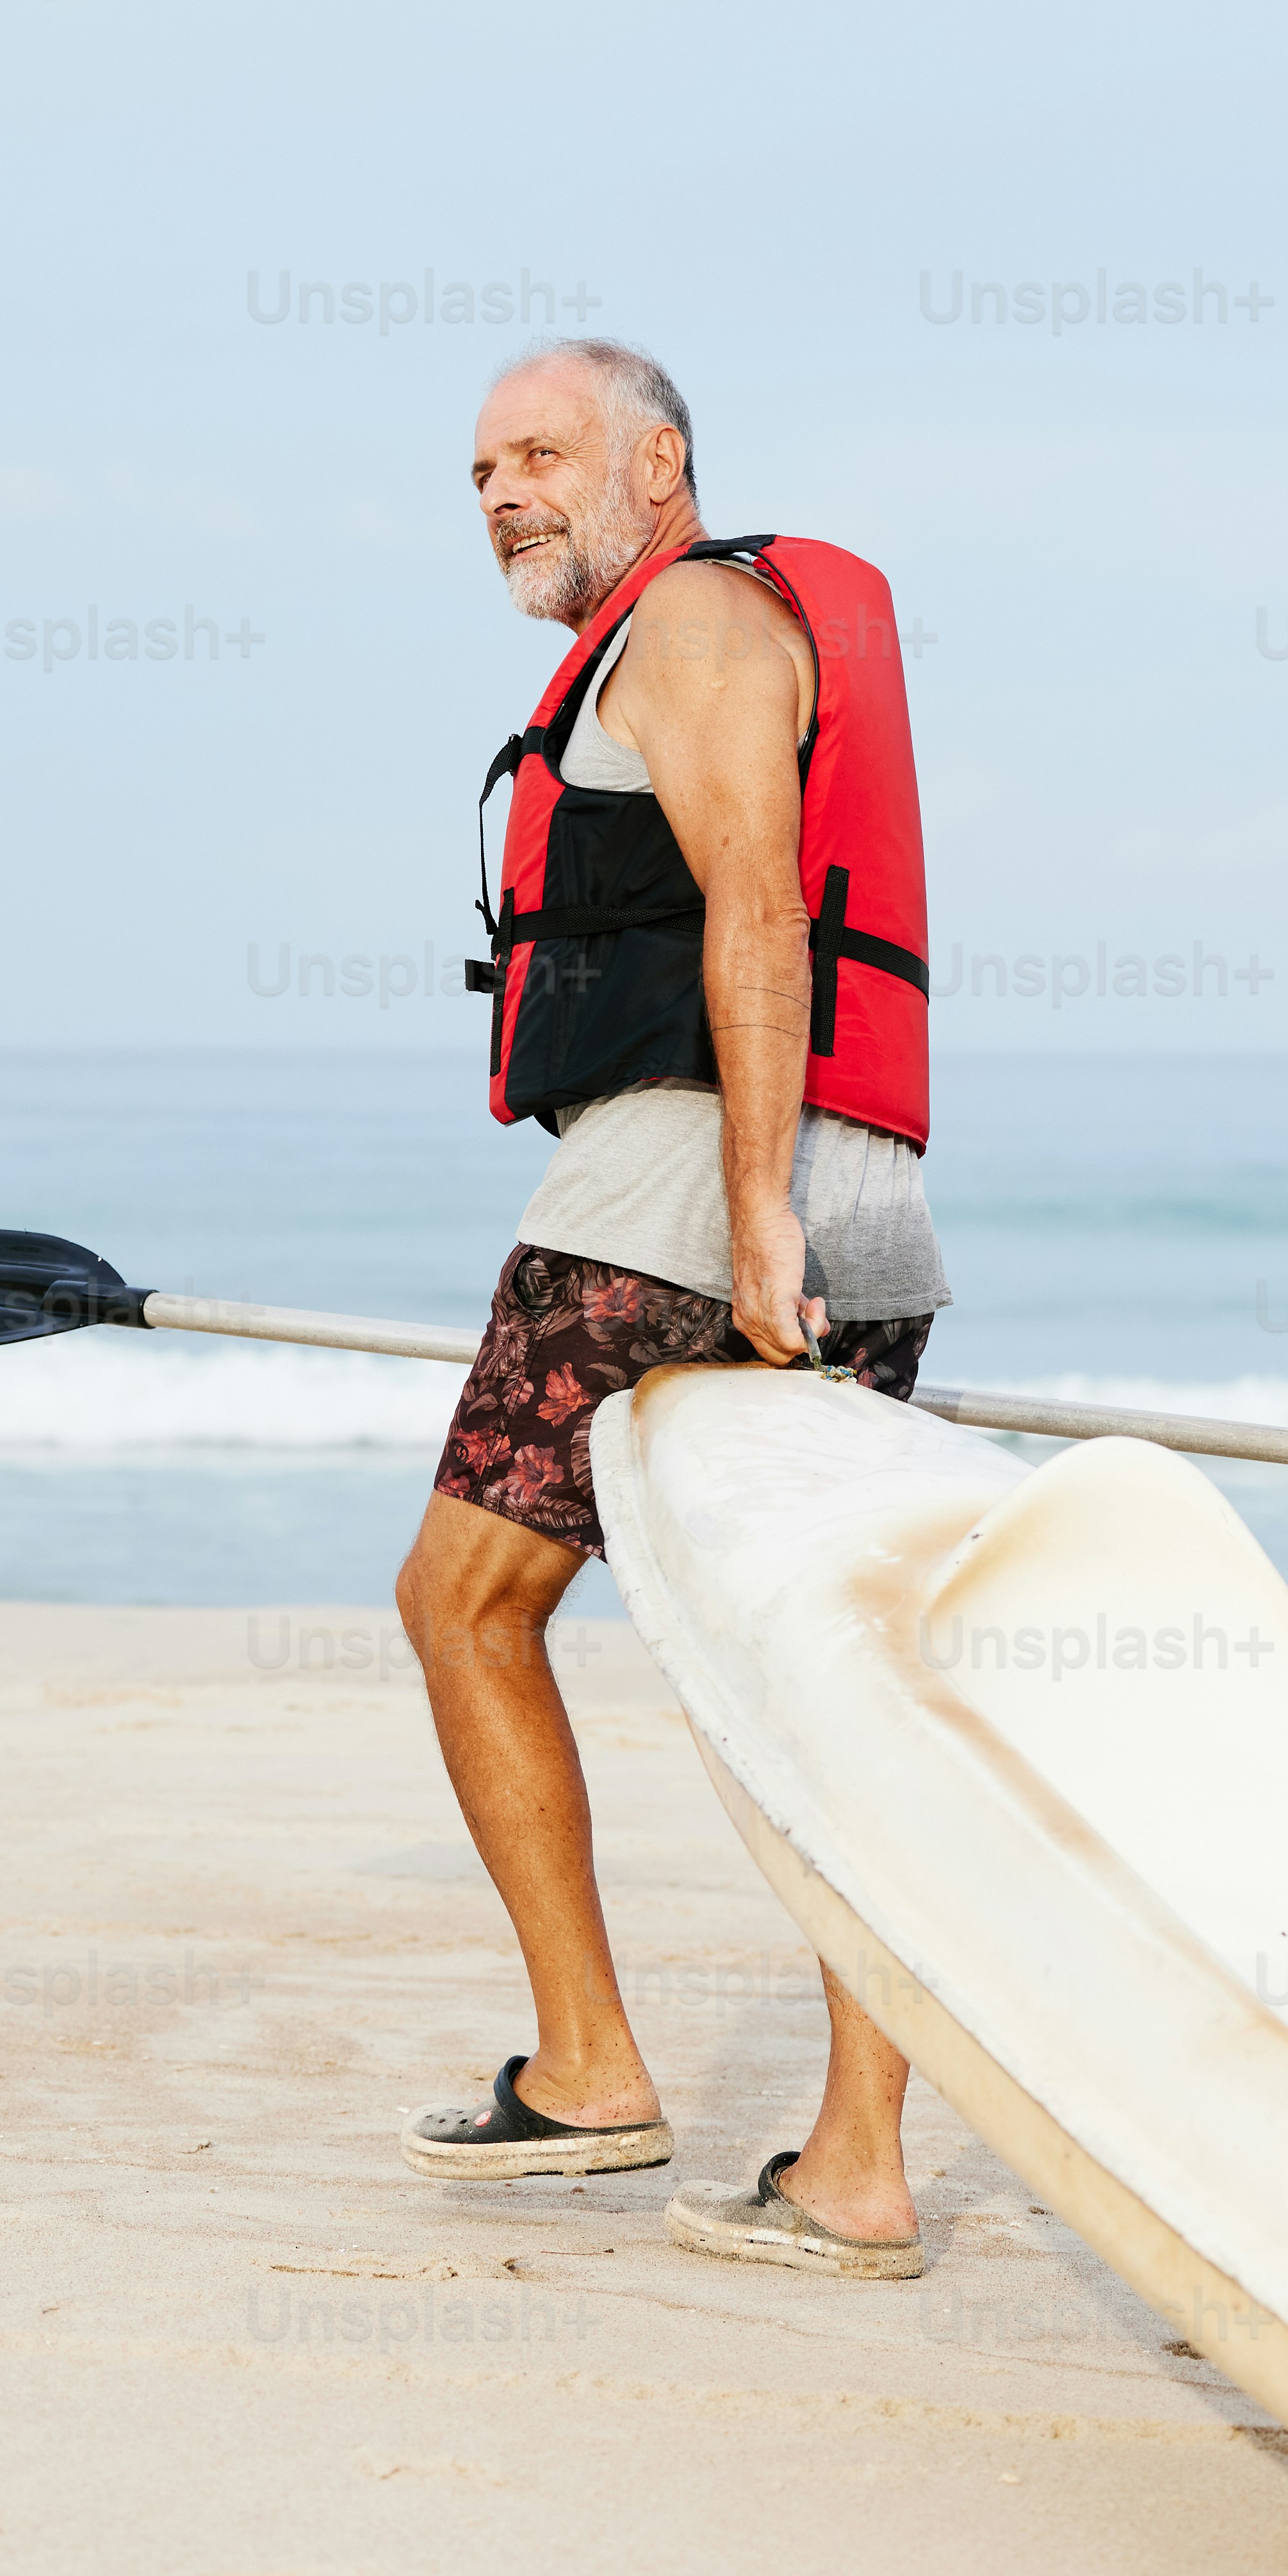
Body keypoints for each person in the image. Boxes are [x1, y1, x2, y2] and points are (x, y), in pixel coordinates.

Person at [395, 343, 950, 2272]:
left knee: (463, 1601)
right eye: (480, 469)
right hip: (863, 1192)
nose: (503, 492)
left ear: (661, 461)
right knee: (826, 1681)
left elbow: (759, 911)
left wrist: (743, 1220)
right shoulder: (726, 621)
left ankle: (589, 2073)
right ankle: (859, 2173)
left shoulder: (695, 618)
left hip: (684, 1190)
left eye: (540, 454)